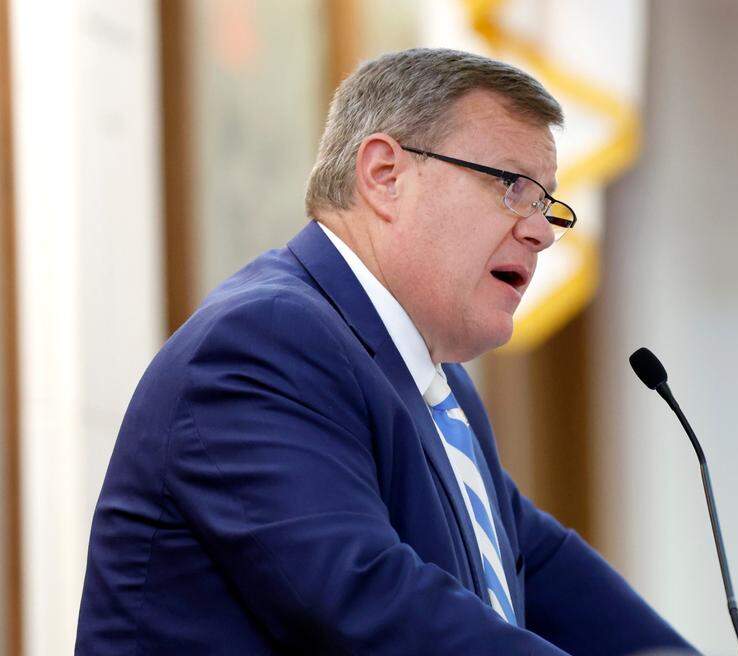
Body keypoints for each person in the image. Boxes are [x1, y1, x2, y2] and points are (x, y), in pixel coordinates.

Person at [76, 48, 693, 655]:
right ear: (385, 176)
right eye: (512, 186)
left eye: (546, 204)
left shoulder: (433, 381)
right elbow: (368, 600)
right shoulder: (263, 343)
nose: (539, 231)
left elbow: (536, 563)